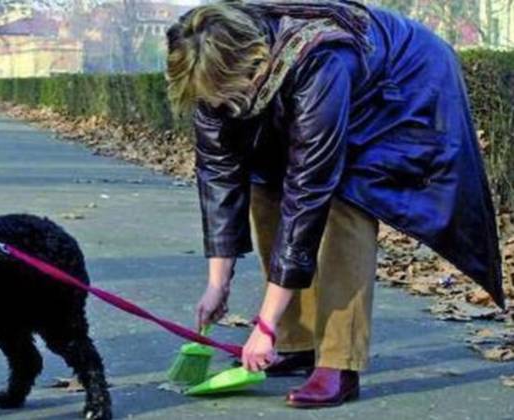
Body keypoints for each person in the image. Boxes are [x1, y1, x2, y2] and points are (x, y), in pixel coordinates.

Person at [165, 0, 503, 408]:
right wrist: (217, 284)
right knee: (264, 186)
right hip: (318, 91)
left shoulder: (319, 59)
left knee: (349, 201)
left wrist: (263, 324)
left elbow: (309, 193)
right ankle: (297, 341)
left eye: (221, 95)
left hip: (400, 87)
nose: (215, 106)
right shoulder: (211, 81)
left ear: (249, 65)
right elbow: (219, 178)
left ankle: (338, 360)